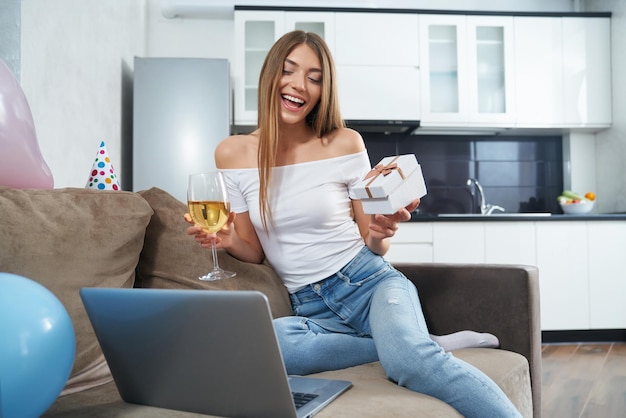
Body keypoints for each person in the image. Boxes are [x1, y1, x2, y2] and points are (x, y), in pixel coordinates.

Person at [186, 30, 522, 417]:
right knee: (267, 348)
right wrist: (227, 239)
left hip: (370, 283)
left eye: (314, 77)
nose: (299, 85)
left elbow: (372, 238)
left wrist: (380, 234)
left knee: (409, 365)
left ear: (323, 89)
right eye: (289, 70)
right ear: (270, 76)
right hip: (308, 306)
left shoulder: (345, 143)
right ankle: (423, 341)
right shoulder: (232, 153)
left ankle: (412, 348)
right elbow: (254, 249)